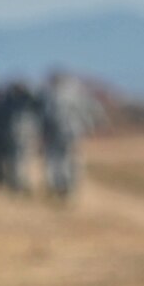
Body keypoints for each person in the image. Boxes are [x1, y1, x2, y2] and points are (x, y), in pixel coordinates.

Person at [38, 69, 100, 200]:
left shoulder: (55, 94)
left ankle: (64, 186)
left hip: (68, 133)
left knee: (64, 160)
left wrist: (89, 125)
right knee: (61, 160)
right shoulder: (55, 94)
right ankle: (61, 186)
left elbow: (88, 110)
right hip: (62, 133)